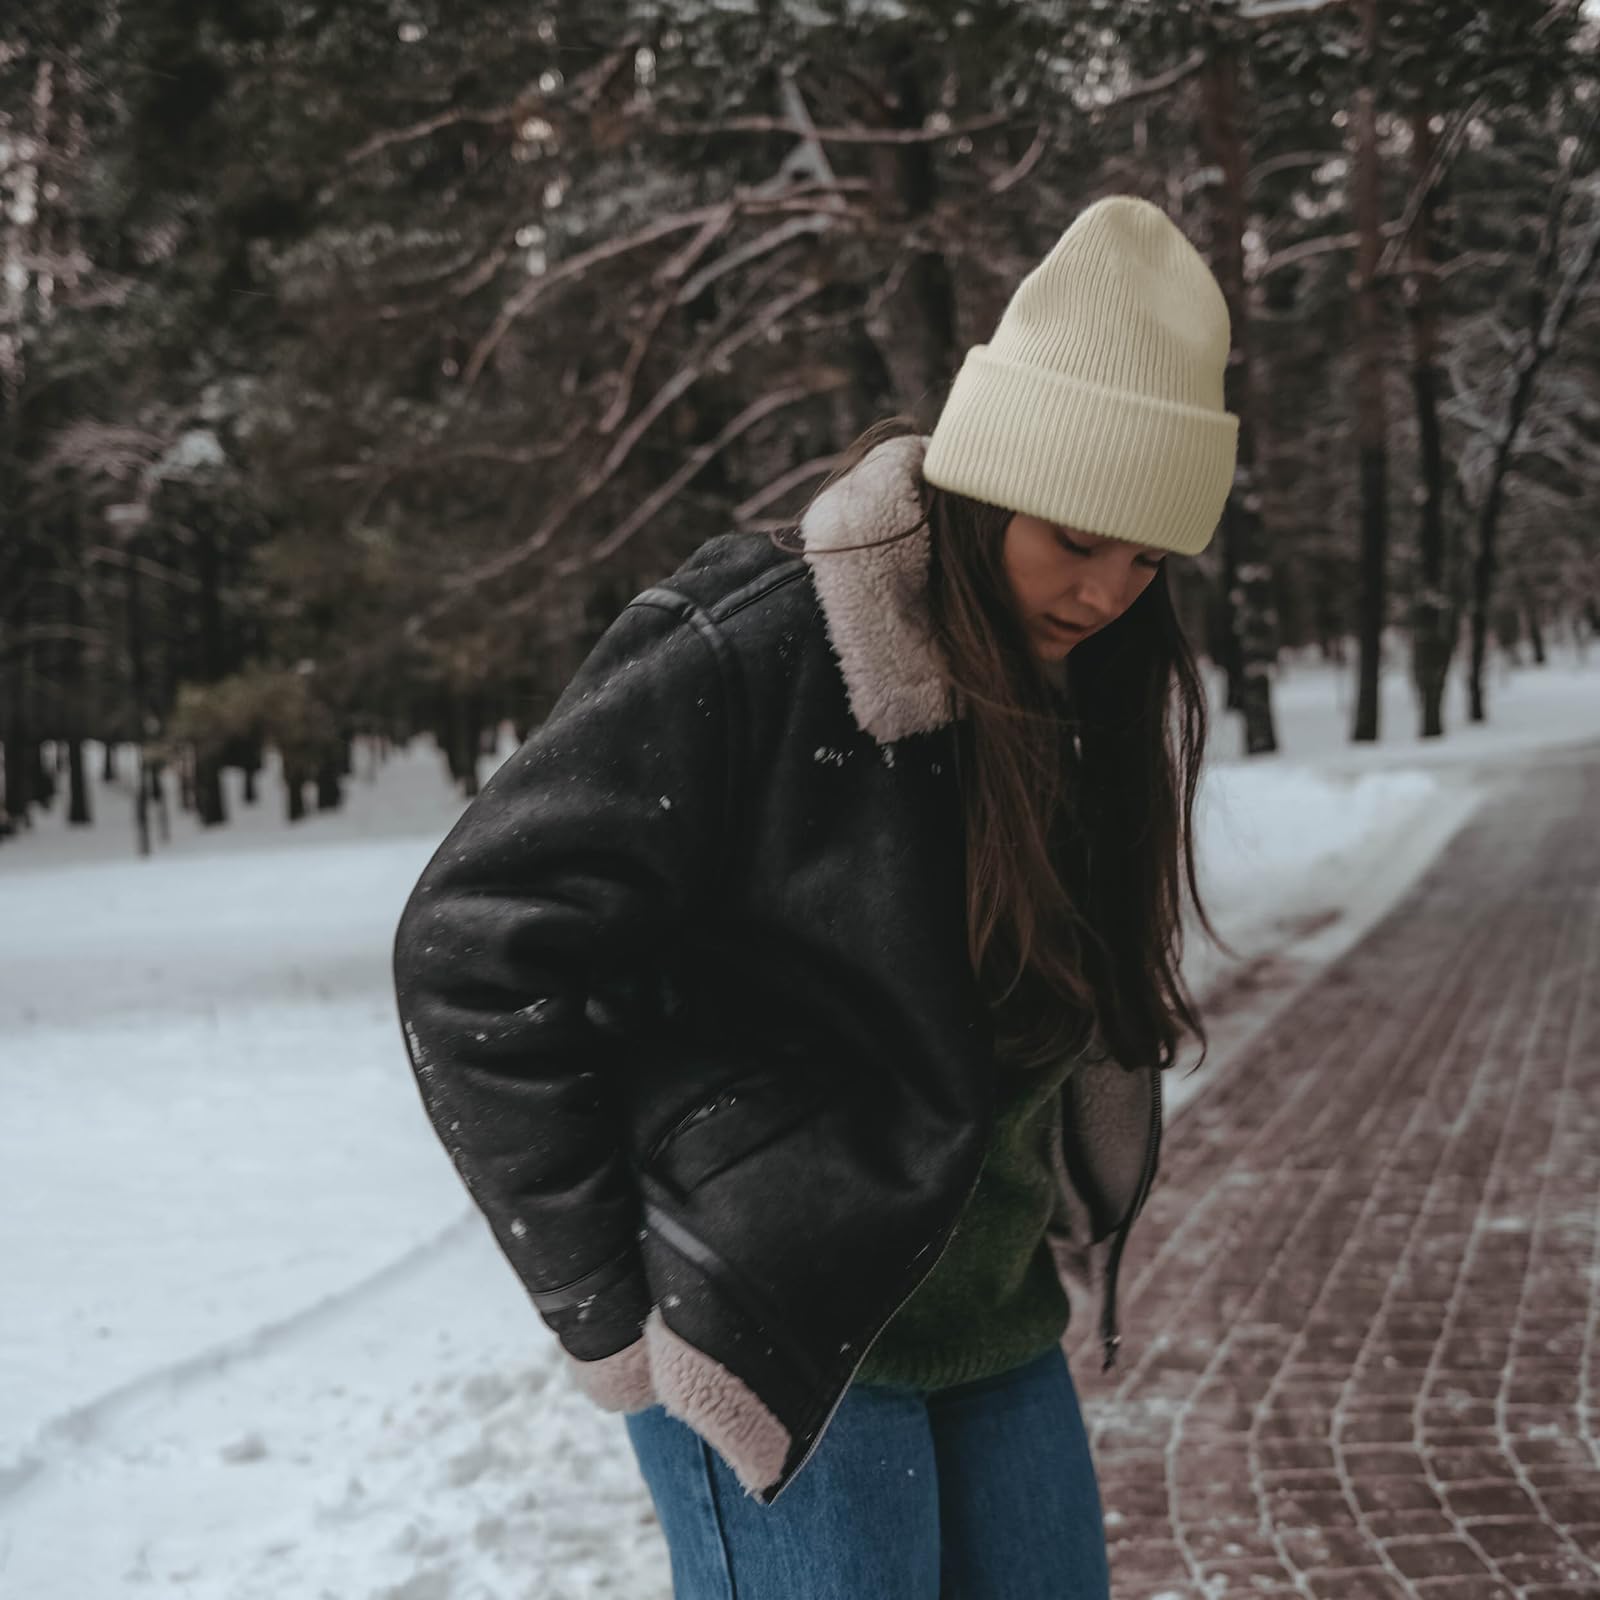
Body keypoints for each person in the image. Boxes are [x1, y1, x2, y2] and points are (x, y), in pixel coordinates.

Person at [391, 193, 1240, 1598]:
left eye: (1147, 558)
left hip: (990, 1321)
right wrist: (607, 1307)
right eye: (1075, 537)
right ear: (988, 480)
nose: (1106, 592)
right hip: (774, 1341)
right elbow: (472, 945)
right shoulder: (765, 647)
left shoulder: (1081, 687)